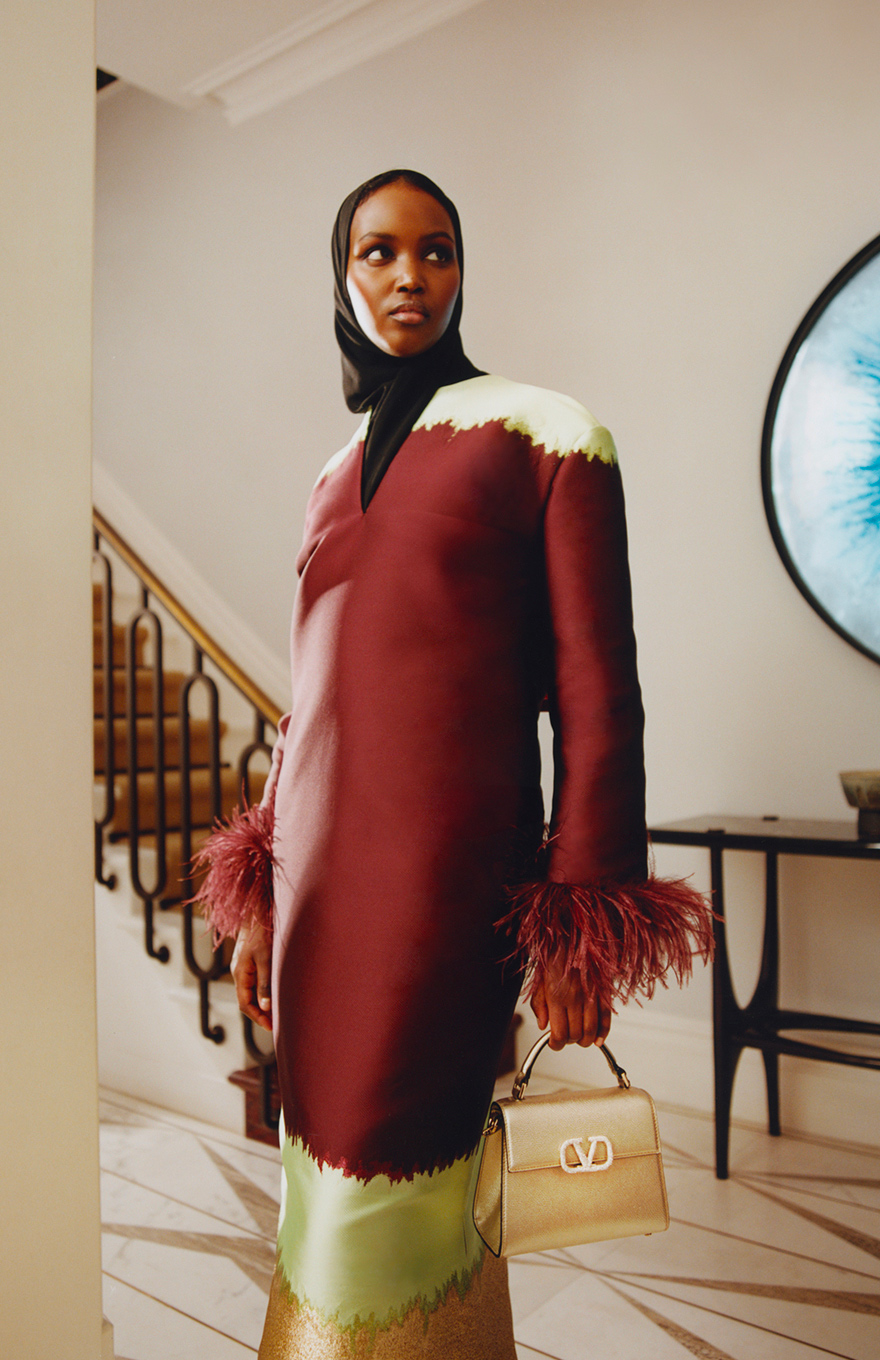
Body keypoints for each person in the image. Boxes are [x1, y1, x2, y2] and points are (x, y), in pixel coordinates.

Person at [195, 169, 712, 1360]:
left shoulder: (548, 432)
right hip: (317, 898)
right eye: (377, 254)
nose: (408, 277)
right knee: (312, 1184)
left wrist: (580, 916)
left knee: (407, 1173)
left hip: (444, 890)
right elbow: (306, 708)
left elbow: (598, 693)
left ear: (463, 269)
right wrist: (261, 894)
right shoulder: (328, 476)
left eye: (434, 252)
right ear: (342, 274)